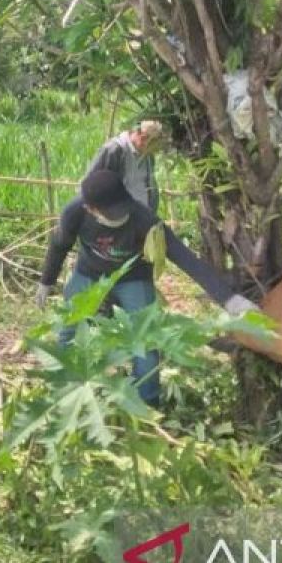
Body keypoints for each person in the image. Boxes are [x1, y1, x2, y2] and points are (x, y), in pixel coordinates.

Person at [36, 169, 254, 407]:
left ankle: (147, 405)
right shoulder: (75, 213)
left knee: (145, 340)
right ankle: (63, 390)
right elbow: (59, 246)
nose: (120, 217)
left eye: (122, 209)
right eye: (111, 214)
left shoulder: (144, 219)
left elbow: (185, 258)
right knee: (69, 328)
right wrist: (46, 282)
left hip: (133, 278)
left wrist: (229, 299)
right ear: (91, 209)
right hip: (89, 273)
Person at [86, 119, 166, 213]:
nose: (151, 151)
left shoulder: (148, 156)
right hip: (117, 219)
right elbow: (90, 185)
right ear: (143, 138)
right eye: (151, 146)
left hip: (141, 218)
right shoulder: (114, 151)